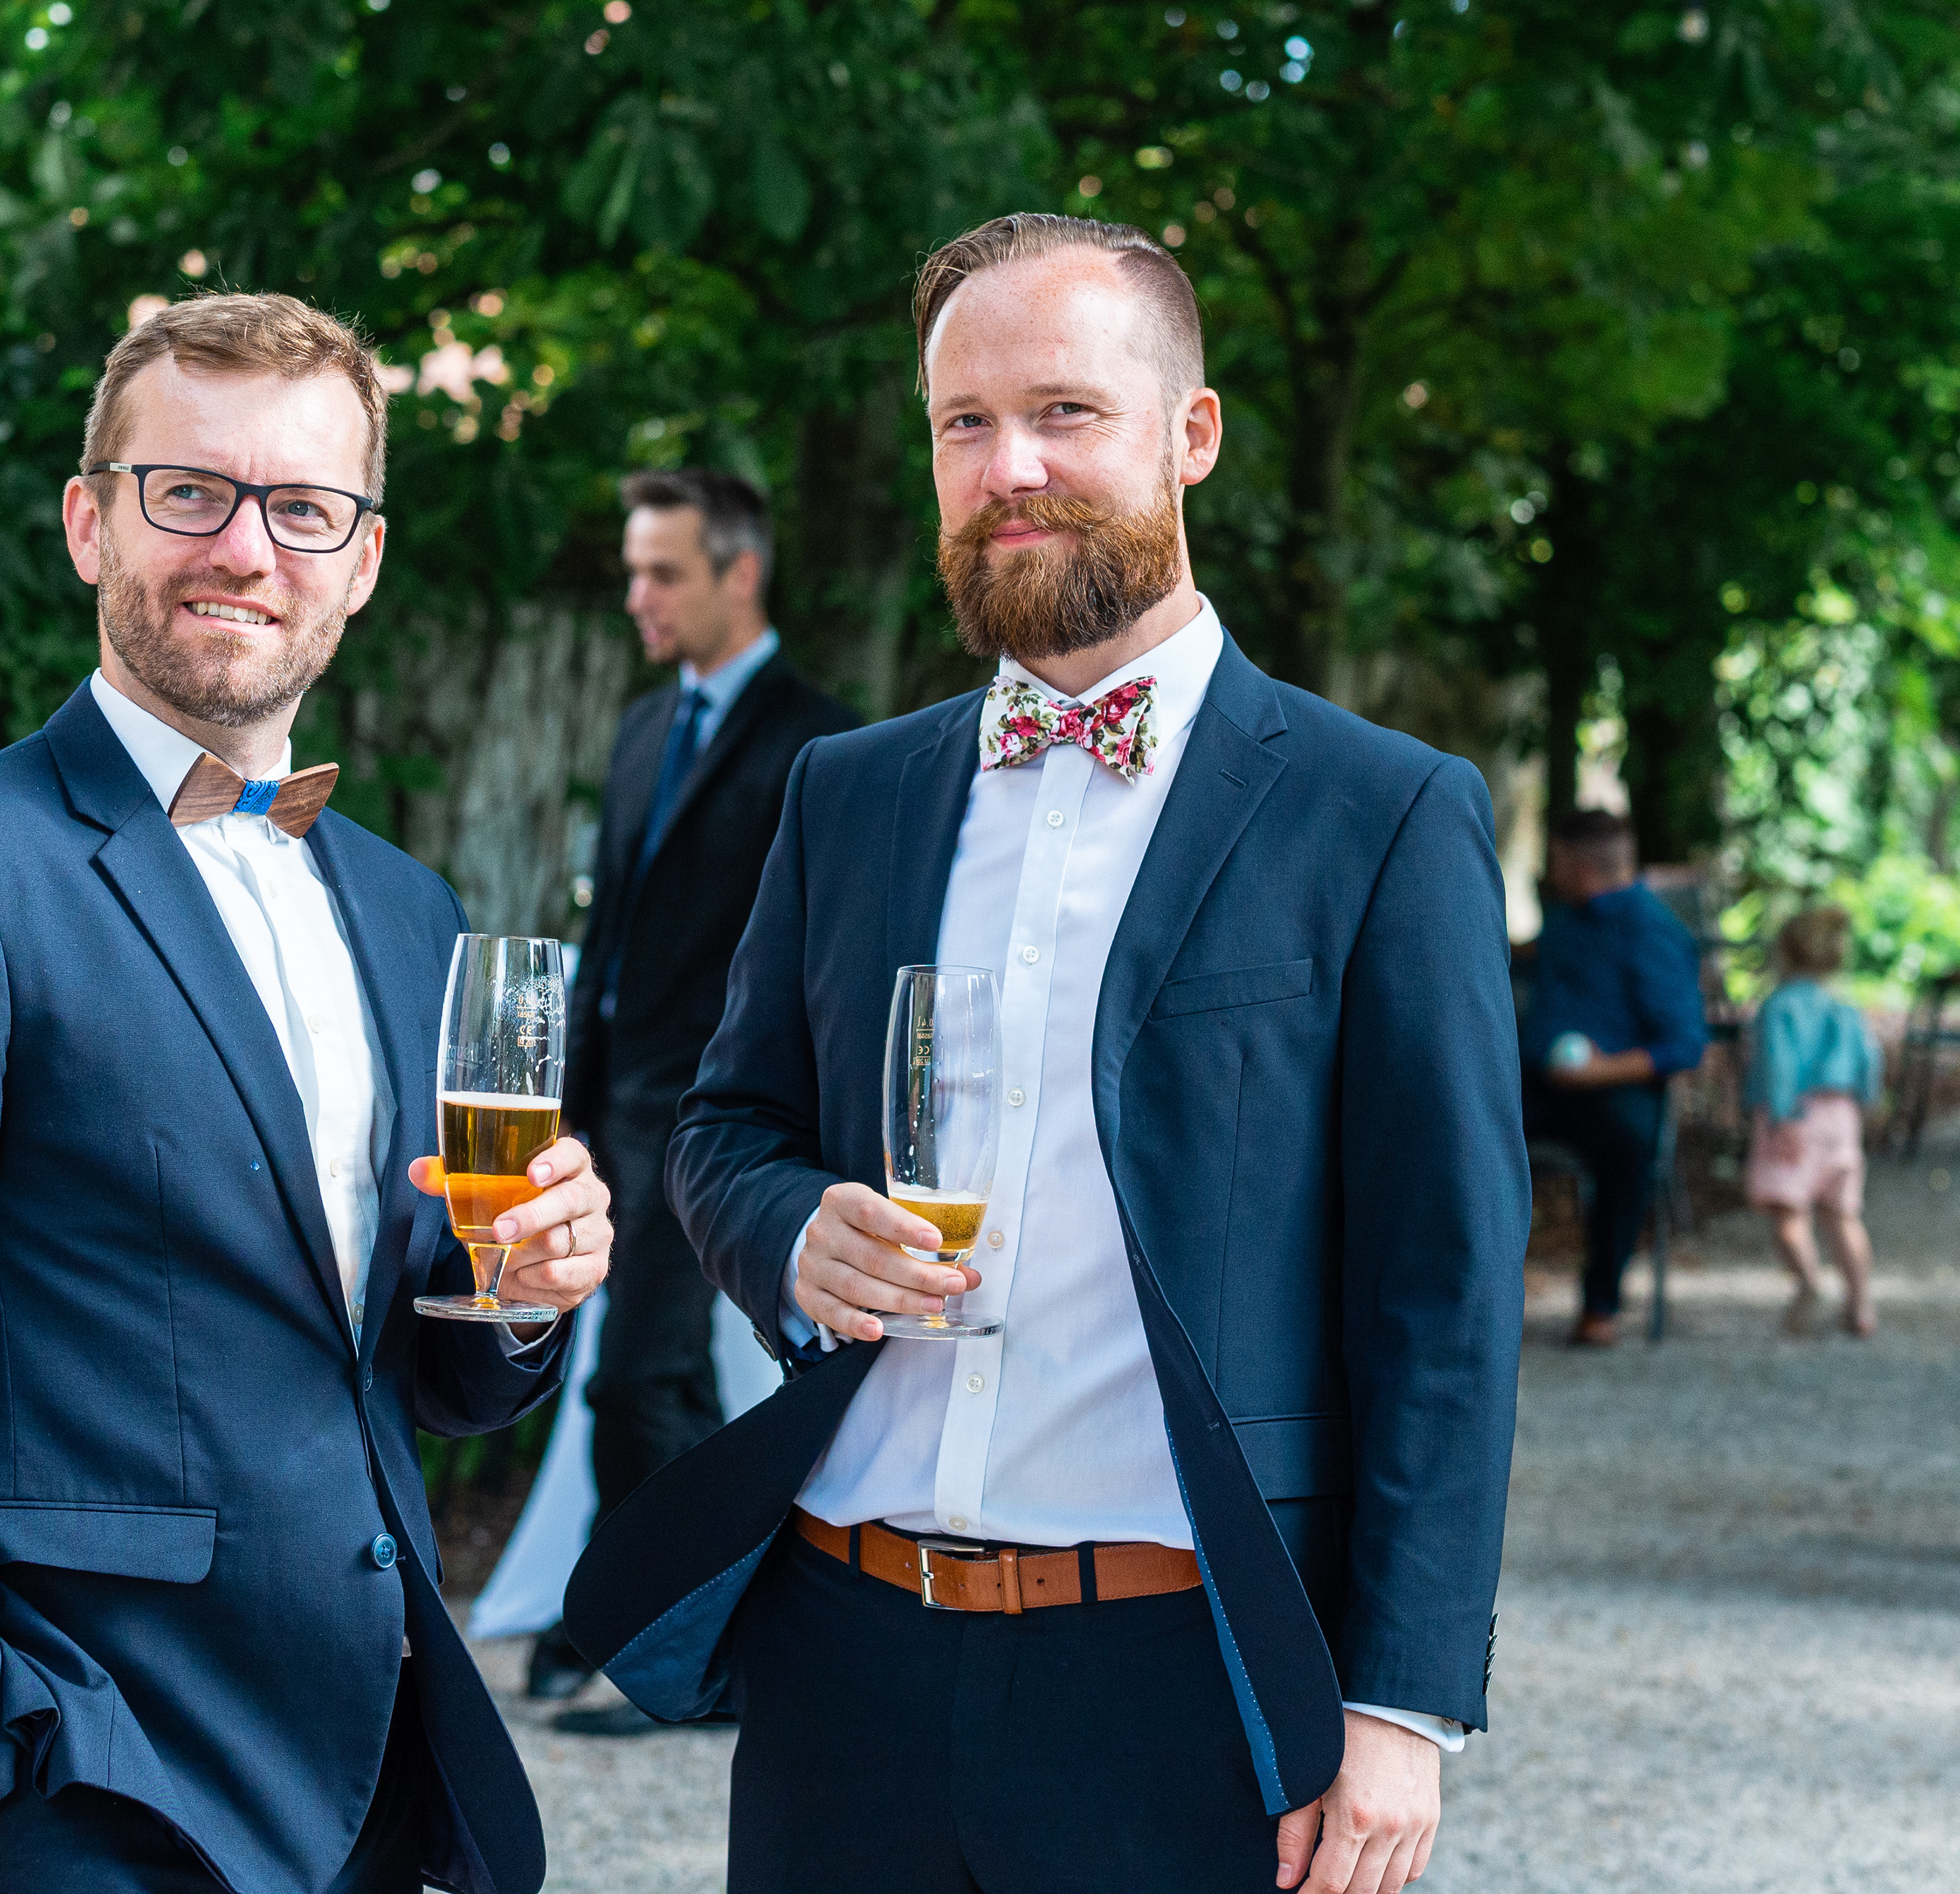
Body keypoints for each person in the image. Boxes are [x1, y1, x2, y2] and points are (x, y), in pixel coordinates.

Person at [563, 213, 1527, 1894]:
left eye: (1065, 411)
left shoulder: (1380, 814)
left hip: (1182, 1681)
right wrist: (789, 1229)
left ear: (1191, 433)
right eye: (965, 423)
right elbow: (722, 1129)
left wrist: (1398, 1700)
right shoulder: (846, 792)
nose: (1009, 467)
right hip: (840, 1656)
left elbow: (1443, 1291)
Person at [0, 293, 610, 1894]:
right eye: (191, 492)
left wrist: (523, 1293)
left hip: (369, 1770)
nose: (246, 548)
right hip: (85, 1774)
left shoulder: (409, 909)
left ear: (363, 559)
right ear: (91, 522)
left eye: (302, 508)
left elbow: (427, 1380)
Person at [525, 470, 857, 1727]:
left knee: (638, 1380)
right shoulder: (640, 729)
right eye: (632, 572)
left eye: (663, 572)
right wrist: (569, 1102)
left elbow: (818, 962)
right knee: (666, 1385)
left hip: (713, 1118)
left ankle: (657, 1644)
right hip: (611, 1109)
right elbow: (612, 934)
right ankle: (696, 1623)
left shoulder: (819, 746)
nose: (638, 597)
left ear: (741, 573)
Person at [1519, 808, 1709, 1347]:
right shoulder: (1565, 923)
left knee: (1630, 1146)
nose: (1550, 872)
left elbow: (1684, 1046)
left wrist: (1600, 1071)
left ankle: (1601, 1305)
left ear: (1578, 867)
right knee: (1463, 1123)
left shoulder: (1652, 931)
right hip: (1538, 1086)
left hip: (1613, 1091)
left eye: (1556, 861)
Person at [1744, 905, 1880, 1336]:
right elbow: (1869, 1062)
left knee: (1788, 1210)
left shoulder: (1779, 1006)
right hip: (1841, 1115)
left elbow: (1779, 1064)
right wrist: (1868, 1104)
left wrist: (1782, 1115)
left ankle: (1808, 1283)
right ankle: (1860, 1304)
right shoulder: (1845, 1007)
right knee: (1843, 1215)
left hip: (1796, 1114)